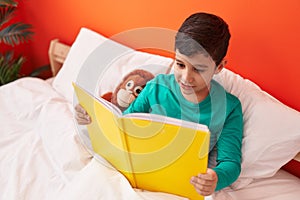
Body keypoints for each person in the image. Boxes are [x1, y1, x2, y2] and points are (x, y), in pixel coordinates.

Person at [75, 12, 243, 197]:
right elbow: (124, 126)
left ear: (219, 67)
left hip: (180, 184)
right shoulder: (156, 87)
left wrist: (215, 178)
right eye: (180, 65)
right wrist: (91, 119)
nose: (186, 78)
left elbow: (231, 162)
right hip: (135, 172)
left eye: (198, 69)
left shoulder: (229, 107)